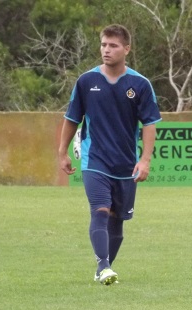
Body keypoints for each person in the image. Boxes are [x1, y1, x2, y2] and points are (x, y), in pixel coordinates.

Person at [58, 24, 162, 285]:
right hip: (95, 159)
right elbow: (72, 118)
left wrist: (145, 160)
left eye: (113, 45)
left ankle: (103, 269)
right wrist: (62, 152)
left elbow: (149, 124)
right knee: (100, 210)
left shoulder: (139, 84)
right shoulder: (86, 81)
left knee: (117, 221)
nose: (106, 50)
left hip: (125, 163)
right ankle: (103, 265)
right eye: (104, 44)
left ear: (126, 49)